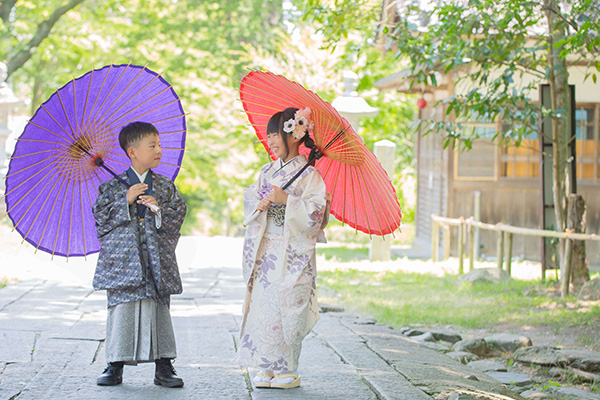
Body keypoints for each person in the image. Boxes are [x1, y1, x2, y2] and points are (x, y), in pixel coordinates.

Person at [237, 107, 329, 389]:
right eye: (269, 135)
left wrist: (286, 200)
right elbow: (251, 198)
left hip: (293, 252)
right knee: (264, 306)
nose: (271, 140)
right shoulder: (267, 170)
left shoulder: (310, 175)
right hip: (267, 248)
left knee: (288, 305)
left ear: (294, 134)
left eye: (275, 134)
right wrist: (261, 201)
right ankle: (265, 366)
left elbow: (317, 212)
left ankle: (287, 368)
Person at [92, 121, 186, 388]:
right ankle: (115, 364)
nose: (158, 150)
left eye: (159, 145)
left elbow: (178, 213)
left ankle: (164, 366)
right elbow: (100, 219)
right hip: (124, 261)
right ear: (132, 152)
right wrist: (126, 200)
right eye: (152, 145)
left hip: (156, 259)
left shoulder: (165, 187)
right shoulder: (112, 188)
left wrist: (158, 209)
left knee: (158, 309)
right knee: (123, 309)